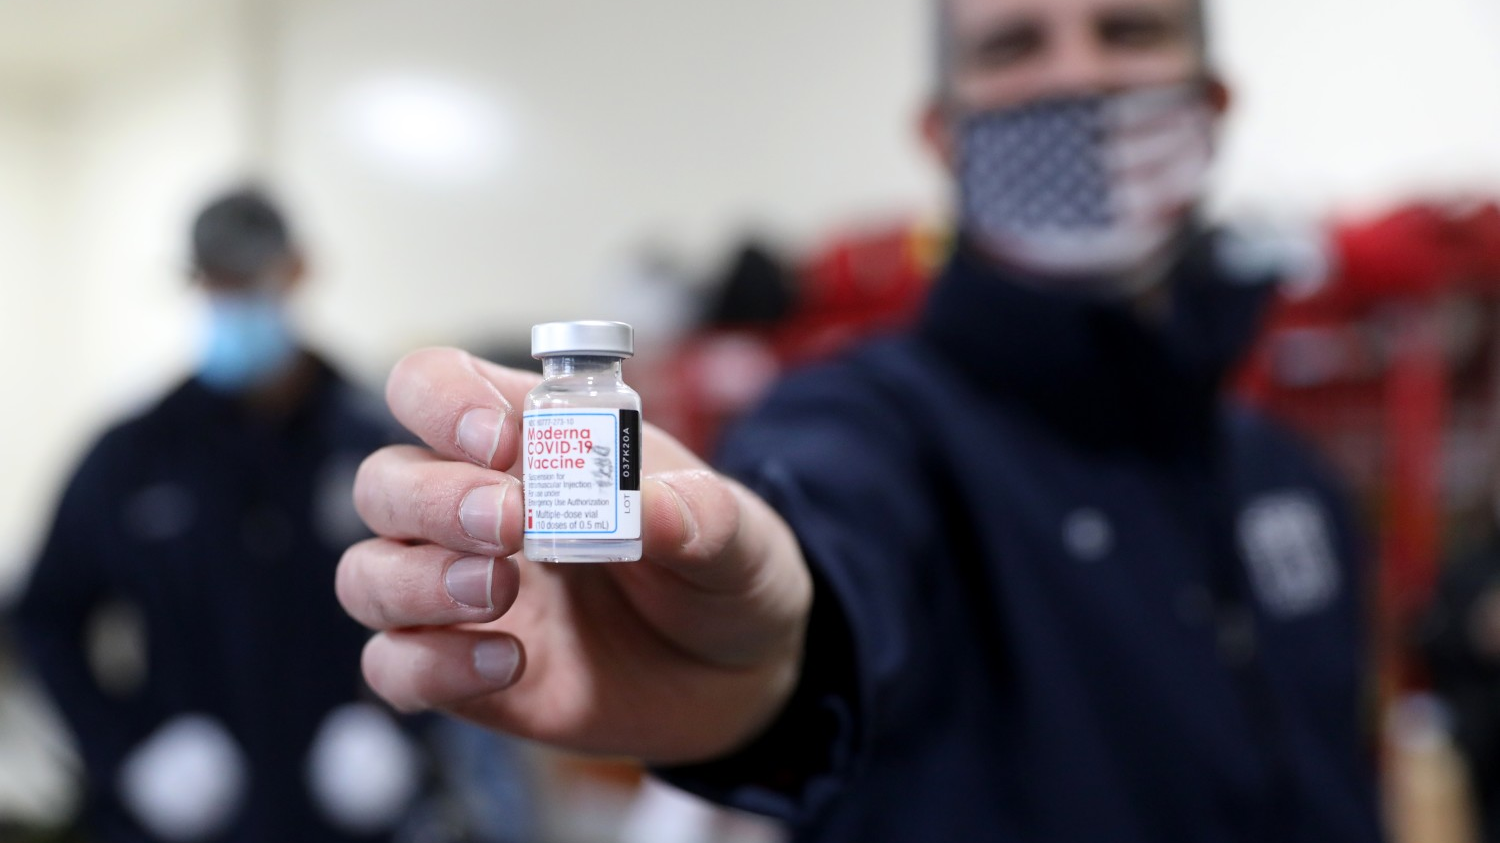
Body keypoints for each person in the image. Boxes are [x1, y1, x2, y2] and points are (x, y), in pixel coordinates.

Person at [333, 0, 1386, 839]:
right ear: (943, 132)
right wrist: (764, 663)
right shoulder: (871, 421)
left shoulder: (1290, 482)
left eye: (1131, 29)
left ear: (1211, 100)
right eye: (1015, 43)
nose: (1077, 78)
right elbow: (821, 540)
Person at [15, 188, 533, 843]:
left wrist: (403, 727)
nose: (232, 298)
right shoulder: (133, 454)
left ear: (295, 271)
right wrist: (129, 753)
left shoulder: (379, 440)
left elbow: (470, 597)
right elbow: (44, 615)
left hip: (356, 812)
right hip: (192, 815)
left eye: (248, 277)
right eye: (216, 281)